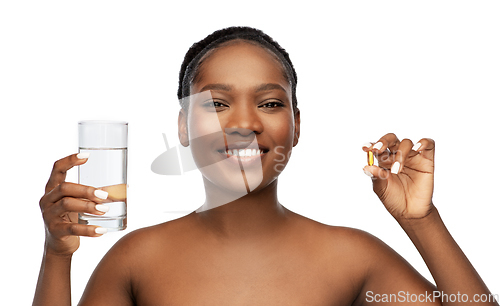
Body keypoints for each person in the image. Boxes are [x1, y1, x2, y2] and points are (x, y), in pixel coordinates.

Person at [34, 26, 498, 305]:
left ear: (295, 126)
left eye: (271, 103)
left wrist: (422, 222)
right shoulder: (135, 261)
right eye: (216, 103)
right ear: (182, 127)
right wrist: (57, 255)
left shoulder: (352, 259)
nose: (244, 123)